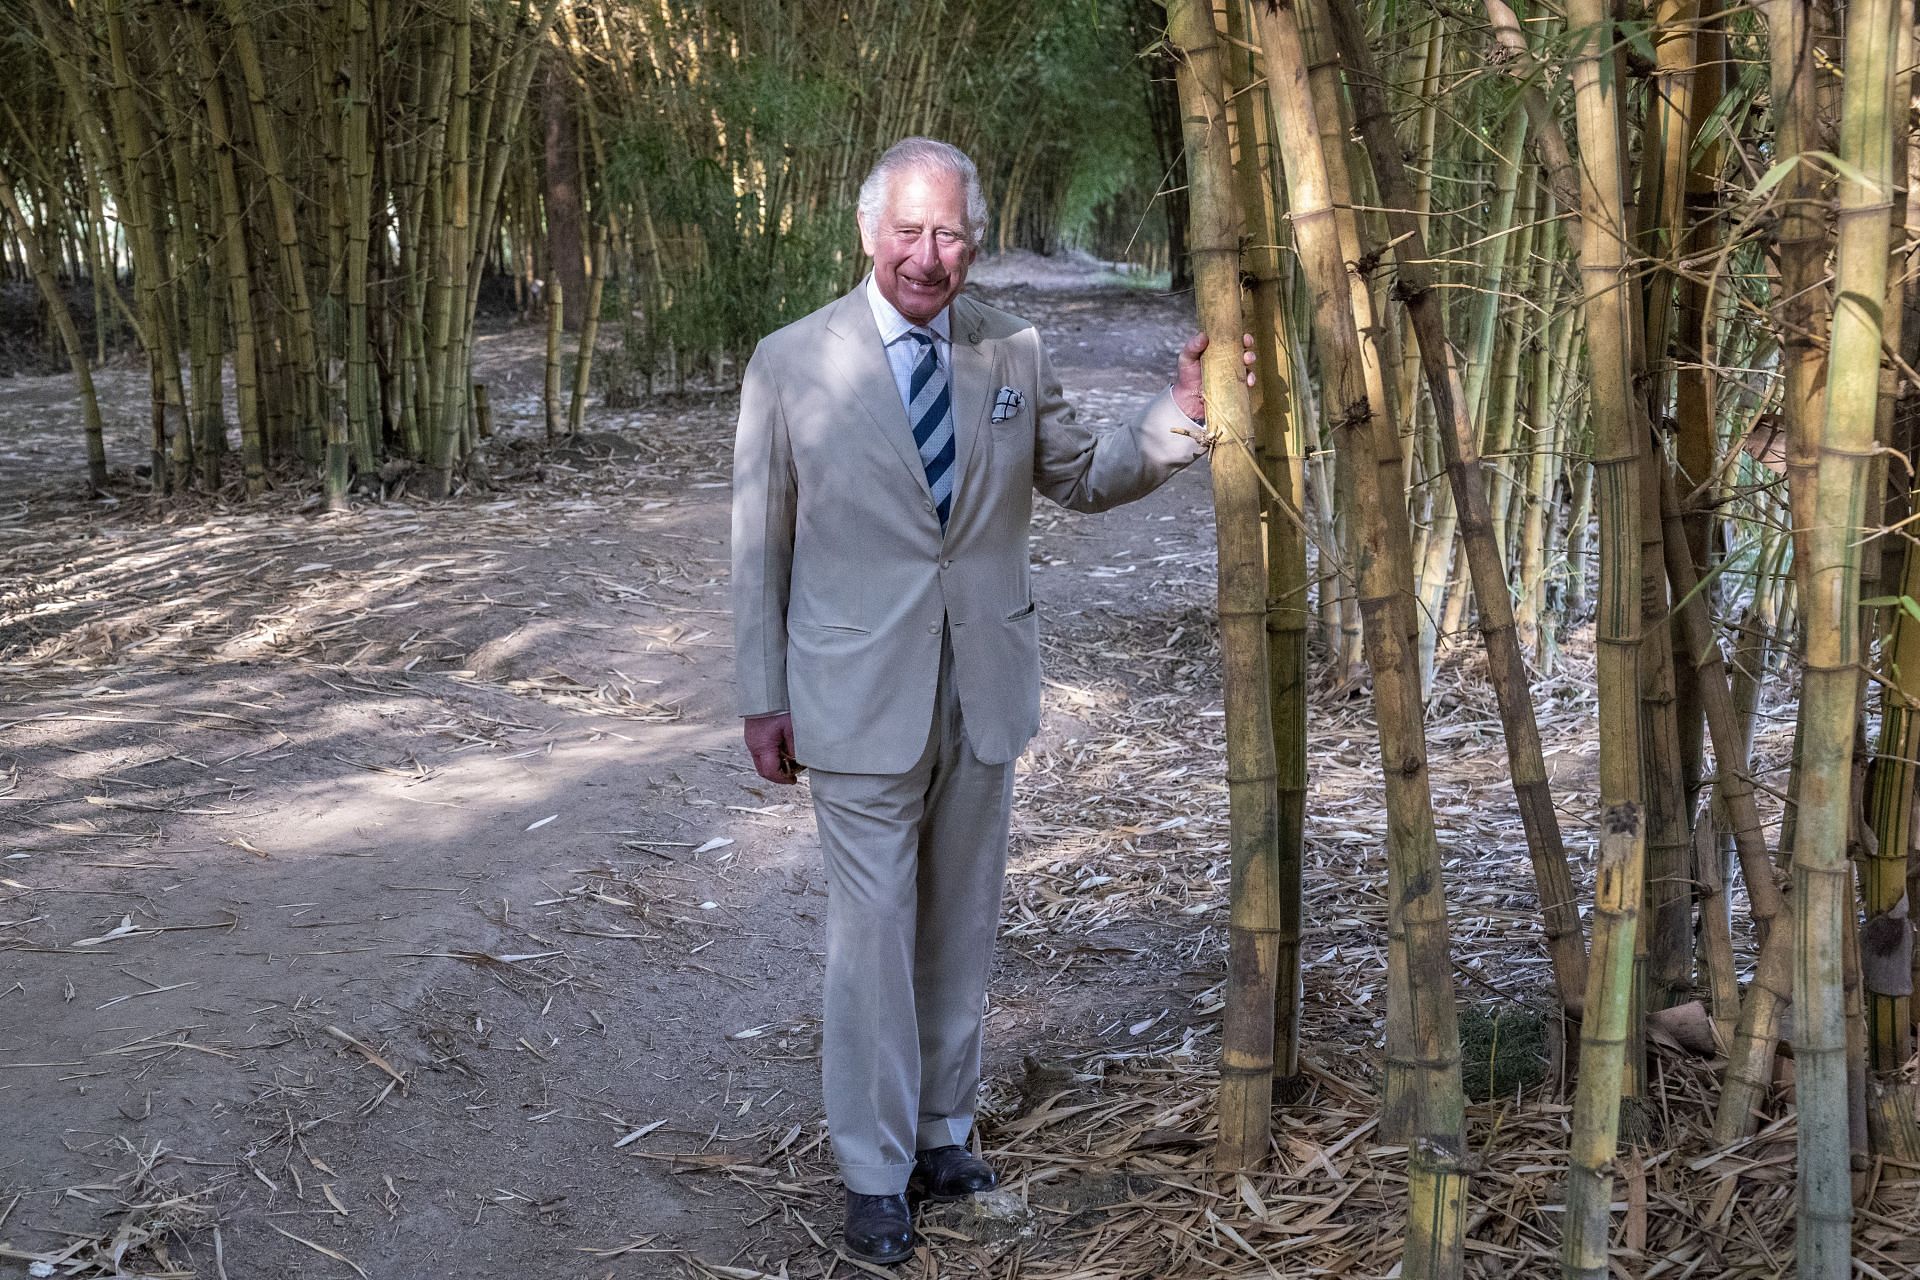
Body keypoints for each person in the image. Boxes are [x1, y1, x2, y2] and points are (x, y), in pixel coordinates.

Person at [730, 136, 1249, 1264]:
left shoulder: (1009, 346)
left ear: (974, 235)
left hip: (984, 678)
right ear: (869, 234)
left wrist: (1174, 420)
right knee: (871, 933)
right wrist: (758, 694)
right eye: (909, 231)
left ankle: (940, 1132)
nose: (929, 255)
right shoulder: (788, 361)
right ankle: (873, 1172)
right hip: (853, 687)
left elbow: (1078, 473)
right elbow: (756, 545)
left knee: (960, 920)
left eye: (950, 232)